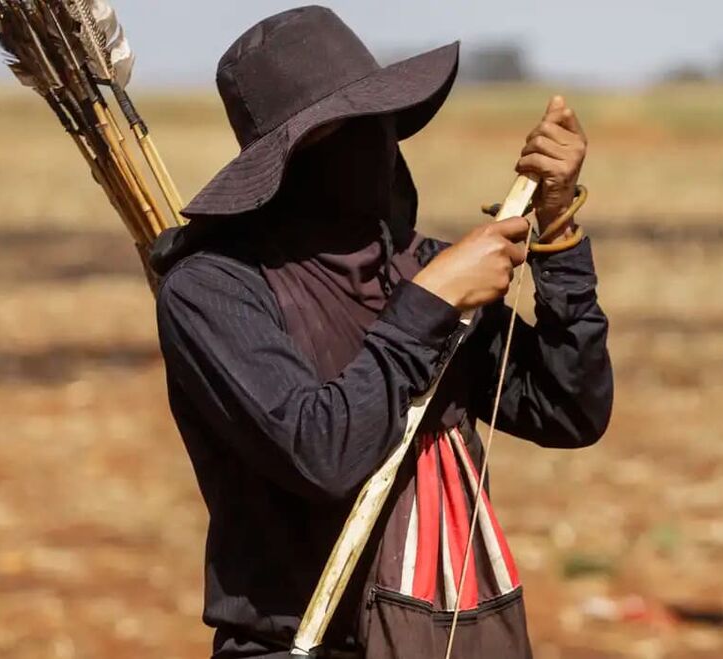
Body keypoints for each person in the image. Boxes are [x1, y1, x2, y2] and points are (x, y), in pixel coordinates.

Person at [151, 7, 612, 659]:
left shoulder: (416, 264)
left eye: (379, 122)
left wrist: (558, 236)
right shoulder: (214, 289)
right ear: (288, 160)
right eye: (341, 131)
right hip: (298, 643)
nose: (371, 147)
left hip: (444, 632)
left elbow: (570, 409)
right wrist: (427, 308)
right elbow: (323, 453)